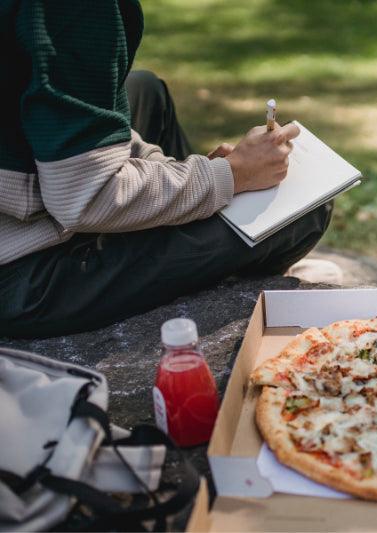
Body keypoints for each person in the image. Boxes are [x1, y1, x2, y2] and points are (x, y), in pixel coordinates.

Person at [0, 1, 334, 338]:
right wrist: (230, 175)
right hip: (22, 276)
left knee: (147, 92)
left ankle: (204, 235)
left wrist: (193, 173)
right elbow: (88, 197)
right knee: (303, 213)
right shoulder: (75, 10)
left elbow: (78, 130)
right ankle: (245, 275)